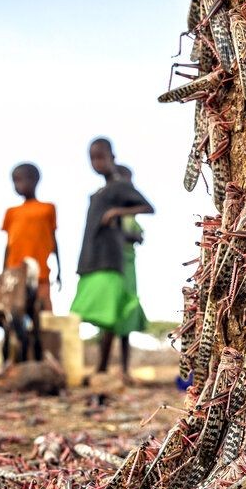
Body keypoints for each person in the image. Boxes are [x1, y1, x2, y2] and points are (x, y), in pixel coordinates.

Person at [70, 138, 154, 378]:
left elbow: (148, 207)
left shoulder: (119, 186)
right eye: (92, 158)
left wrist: (118, 211)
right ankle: (102, 366)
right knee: (93, 312)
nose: (96, 162)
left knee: (109, 314)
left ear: (112, 158)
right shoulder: (99, 192)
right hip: (92, 258)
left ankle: (103, 367)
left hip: (112, 258)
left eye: (101, 157)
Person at [1, 163, 61, 311]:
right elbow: (8, 245)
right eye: (15, 181)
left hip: (41, 273)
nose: (17, 185)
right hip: (15, 273)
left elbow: (54, 241)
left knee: (43, 311)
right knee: (14, 312)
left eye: (21, 180)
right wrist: (3, 273)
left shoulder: (48, 209)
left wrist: (60, 270)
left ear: (35, 180)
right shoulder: (11, 212)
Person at [115, 165, 149, 338]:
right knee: (113, 308)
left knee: (128, 306)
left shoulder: (129, 215)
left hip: (129, 264)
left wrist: (131, 235)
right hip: (115, 265)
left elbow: (140, 237)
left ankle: (124, 363)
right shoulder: (111, 209)